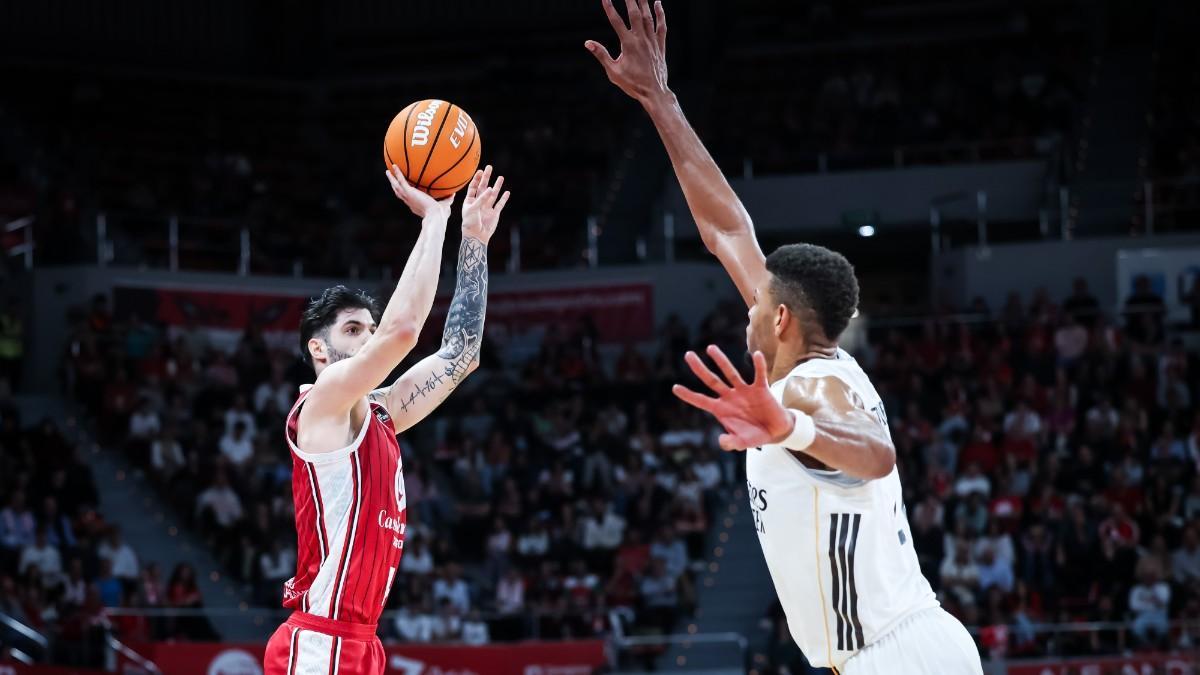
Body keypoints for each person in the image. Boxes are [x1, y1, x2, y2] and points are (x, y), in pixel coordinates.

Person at [585, 3, 982, 672]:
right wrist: (660, 100)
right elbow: (727, 230)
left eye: (757, 304)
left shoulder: (813, 386)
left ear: (782, 321)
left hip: (895, 656)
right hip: (903, 649)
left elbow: (878, 454)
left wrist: (791, 425)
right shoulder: (813, 357)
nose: (747, 311)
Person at [263, 165, 509, 675]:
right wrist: (435, 219)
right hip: (320, 641)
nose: (368, 338)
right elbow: (402, 332)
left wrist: (474, 242)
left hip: (362, 642)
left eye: (369, 329)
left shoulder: (382, 413)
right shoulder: (320, 404)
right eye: (354, 330)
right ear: (319, 349)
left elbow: (462, 354)